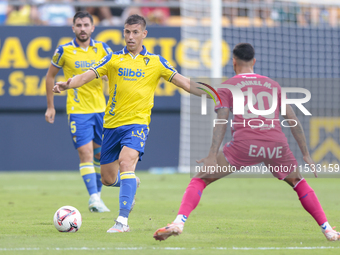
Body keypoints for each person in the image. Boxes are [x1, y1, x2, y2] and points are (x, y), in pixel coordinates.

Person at [153, 43, 340, 242]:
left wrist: (211, 154)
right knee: (298, 181)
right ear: (254, 61)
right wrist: (306, 154)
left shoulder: (227, 86)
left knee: (200, 179)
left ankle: (178, 222)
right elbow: (293, 120)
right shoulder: (273, 85)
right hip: (275, 144)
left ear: (233, 61)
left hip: (245, 145)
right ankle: (328, 230)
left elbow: (222, 121)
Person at [52, 14, 204, 233]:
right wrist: (68, 85)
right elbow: (87, 75)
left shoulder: (155, 62)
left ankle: (122, 221)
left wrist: (213, 93)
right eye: (127, 32)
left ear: (144, 34)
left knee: (126, 163)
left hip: (137, 125)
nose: (130, 37)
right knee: (107, 178)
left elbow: (184, 83)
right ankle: (131, 184)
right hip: (112, 125)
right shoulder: (113, 59)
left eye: (135, 32)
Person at [45, 11, 112, 213]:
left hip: (101, 109)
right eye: (79, 25)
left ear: (93, 28)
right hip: (78, 110)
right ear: (73, 28)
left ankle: (97, 198)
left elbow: (114, 72)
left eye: (86, 25)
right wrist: (50, 106)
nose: (82, 29)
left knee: (100, 157)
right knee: (85, 153)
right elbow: (50, 77)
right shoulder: (63, 51)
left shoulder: (103, 48)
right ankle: (93, 197)